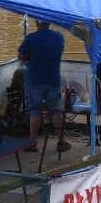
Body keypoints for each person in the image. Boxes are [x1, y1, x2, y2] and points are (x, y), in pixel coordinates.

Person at [17, 20, 70, 153]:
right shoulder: (59, 37)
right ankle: (61, 141)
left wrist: (29, 57)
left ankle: (32, 143)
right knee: (56, 111)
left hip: (34, 79)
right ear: (49, 22)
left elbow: (20, 55)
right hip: (53, 79)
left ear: (36, 22)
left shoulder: (31, 38)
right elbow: (60, 50)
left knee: (35, 110)